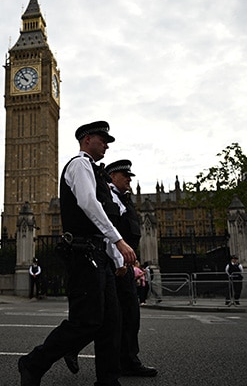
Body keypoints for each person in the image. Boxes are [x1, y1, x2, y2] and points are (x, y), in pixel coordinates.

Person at [18, 121, 136, 386]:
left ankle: (108, 380)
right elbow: (87, 204)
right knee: (87, 321)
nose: (107, 145)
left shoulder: (97, 173)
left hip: (99, 253)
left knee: (110, 323)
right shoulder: (79, 165)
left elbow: (103, 221)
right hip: (82, 253)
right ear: (87, 139)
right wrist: (119, 242)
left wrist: (116, 257)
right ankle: (33, 362)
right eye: (103, 139)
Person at [64, 159, 157, 378]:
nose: (129, 180)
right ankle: (72, 347)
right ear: (112, 176)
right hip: (110, 263)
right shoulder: (103, 196)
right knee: (103, 316)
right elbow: (105, 231)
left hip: (123, 263)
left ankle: (127, 361)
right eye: (125, 176)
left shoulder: (125, 200)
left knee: (128, 315)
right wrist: (117, 261)